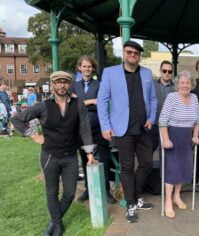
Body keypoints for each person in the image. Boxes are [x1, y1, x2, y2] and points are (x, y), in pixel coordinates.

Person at [11, 71, 96, 236]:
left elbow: (84, 128)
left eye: (65, 82)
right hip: (50, 156)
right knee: (52, 192)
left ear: (69, 84)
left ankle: (53, 221)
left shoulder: (78, 104)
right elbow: (17, 120)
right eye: (58, 82)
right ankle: (57, 226)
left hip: (70, 156)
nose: (62, 85)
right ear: (52, 84)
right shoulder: (44, 105)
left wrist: (89, 153)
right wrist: (34, 136)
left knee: (70, 193)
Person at [97, 40, 157, 223]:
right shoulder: (110, 73)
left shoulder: (147, 73)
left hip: (144, 128)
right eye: (129, 52)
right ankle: (131, 203)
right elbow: (102, 100)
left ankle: (134, 195)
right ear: (124, 53)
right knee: (127, 166)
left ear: (139, 56)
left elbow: (153, 99)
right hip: (122, 129)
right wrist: (105, 126)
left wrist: (152, 118)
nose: (132, 55)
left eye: (136, 53)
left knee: (147, 164)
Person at [69, 55, 116, 204]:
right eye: (84, 66)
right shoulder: (73, 86)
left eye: (89, 66)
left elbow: (102, 104)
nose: (87, 69)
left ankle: (106, 190)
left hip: (98, 127)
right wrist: (91, 101)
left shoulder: (100, 84)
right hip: (81, 129)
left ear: (93, 68)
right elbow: (73, 105)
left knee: (105, 158)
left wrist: (82, 102)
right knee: (84, 159)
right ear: (79, 68)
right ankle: (88, 191)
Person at [159, 71, 199, 219]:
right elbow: (163, 120)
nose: (185, 85)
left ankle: (177, 196)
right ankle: (168, 202)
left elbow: (197, 120)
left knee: (183, 169)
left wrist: (195, 135)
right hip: (173, 136)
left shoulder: (194, 97)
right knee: (172, 170)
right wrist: (165, 139)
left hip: (187, 137)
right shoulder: (172, 97)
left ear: (191, 84)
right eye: (182, 83)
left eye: (187, 82)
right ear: (177, 84)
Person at [152, 60, 175, 151]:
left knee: (168, 152)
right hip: (154, 125)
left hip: (170, 126)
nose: (167, 73)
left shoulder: (176, 87)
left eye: (169, 71)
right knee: (149, 152)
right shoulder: (152, 85)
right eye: (164, 71)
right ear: (160, 71)